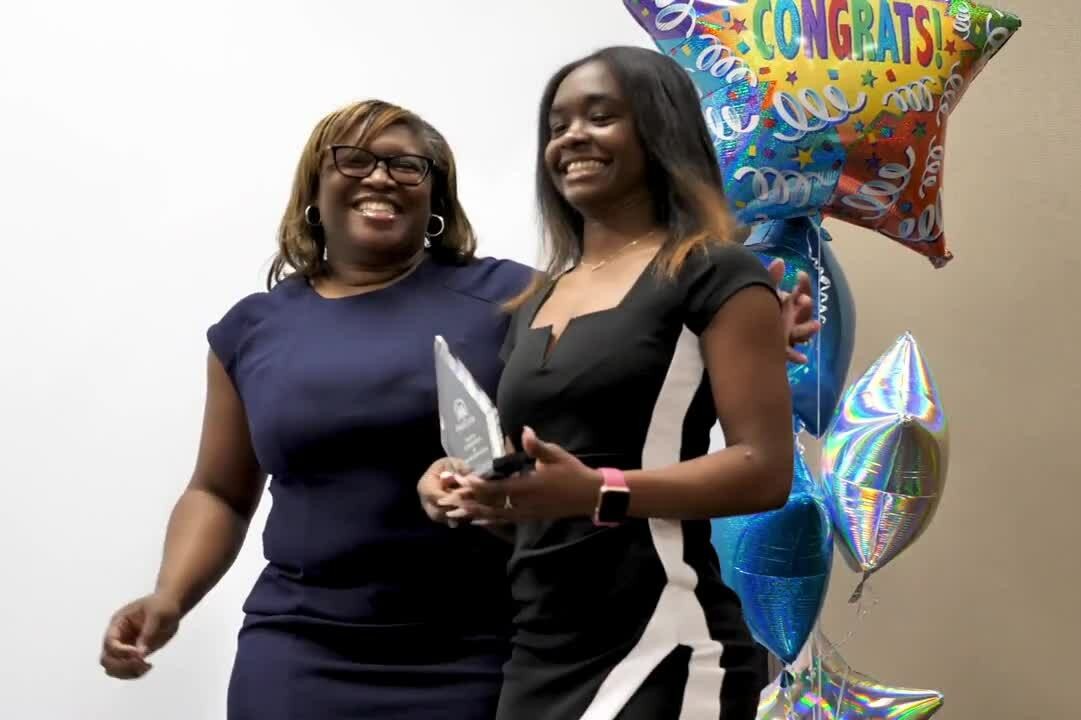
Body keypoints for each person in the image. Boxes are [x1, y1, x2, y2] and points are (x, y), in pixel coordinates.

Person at [97, 98, 818, 719]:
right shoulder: (253, 329)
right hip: (298, 649)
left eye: (409, 166)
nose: (381, 176)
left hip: (480, 649)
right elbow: (219, 491)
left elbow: (635, 358)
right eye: (355, 159)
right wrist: (170, 598)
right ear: (314, 189)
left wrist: (743, 333)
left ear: (435, 201)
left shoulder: (512, 298)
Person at [420, 46, 801, 719]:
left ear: (658, 129)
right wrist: (473, 490)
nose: (572, 138)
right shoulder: (533, 302)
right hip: (541, 648)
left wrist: (600, 491)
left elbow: (764, 470)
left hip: (665, 639)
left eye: (600, 117)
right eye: (557, 124)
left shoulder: (715, 273)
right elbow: (540, 493)